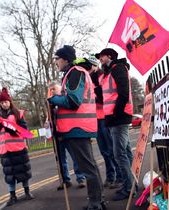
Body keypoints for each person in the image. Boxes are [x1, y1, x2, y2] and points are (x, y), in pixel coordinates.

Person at [48, 45, 105, 210]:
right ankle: (97, 201)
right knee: (90, 166)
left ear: (65, 59)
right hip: (77, 128)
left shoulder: (75, 72)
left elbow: (73, 101)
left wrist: (54, 100)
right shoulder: (72, 73)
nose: (56, 62)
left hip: (76, 128)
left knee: (88, 168)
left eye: (57, 59)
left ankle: (95, 204)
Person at [96, 48, 135, 201]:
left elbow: (123, 93)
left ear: (109, 56)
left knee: (119, 154)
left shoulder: (118, 68)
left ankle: (128, 188)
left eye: (102, 56)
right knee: (124, 152)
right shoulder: (108, 72)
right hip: (113, 117)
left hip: (118, 117)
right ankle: (131, 184)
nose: (100, 59)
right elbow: (105, 94)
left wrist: (116, 114)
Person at [0, 87, 34, 206]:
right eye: (2, 103)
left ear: (10, 101)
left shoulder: (17, 113)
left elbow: (24, 129)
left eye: (6, 102)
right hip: (5, 150)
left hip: (18, 147)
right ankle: (12, 195)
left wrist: (13, 130)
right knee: (9, 174)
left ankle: (27, 191)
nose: (4, 104)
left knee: (23, 171)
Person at [87, 54, 122, 189]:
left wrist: (94, 93)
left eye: (90, 66)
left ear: (95, 66)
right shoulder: (86, 79)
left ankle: (119, 176)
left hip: (104, 117)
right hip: (95, 119)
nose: (88, 69)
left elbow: (104, 97)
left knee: (111, 149)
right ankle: (110, 176)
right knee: (104, 151)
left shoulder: (102, 76)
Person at [48, 82, 87, 190]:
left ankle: (80, 178)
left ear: (60, 89)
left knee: (75, 157)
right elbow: (49, 119)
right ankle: (65, 180)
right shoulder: (50, 103)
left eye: (54, 89)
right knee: (61, 160)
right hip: (57, 134)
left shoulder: (65, 99)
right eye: (50, 90)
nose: (52, 91)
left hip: (67, 132)